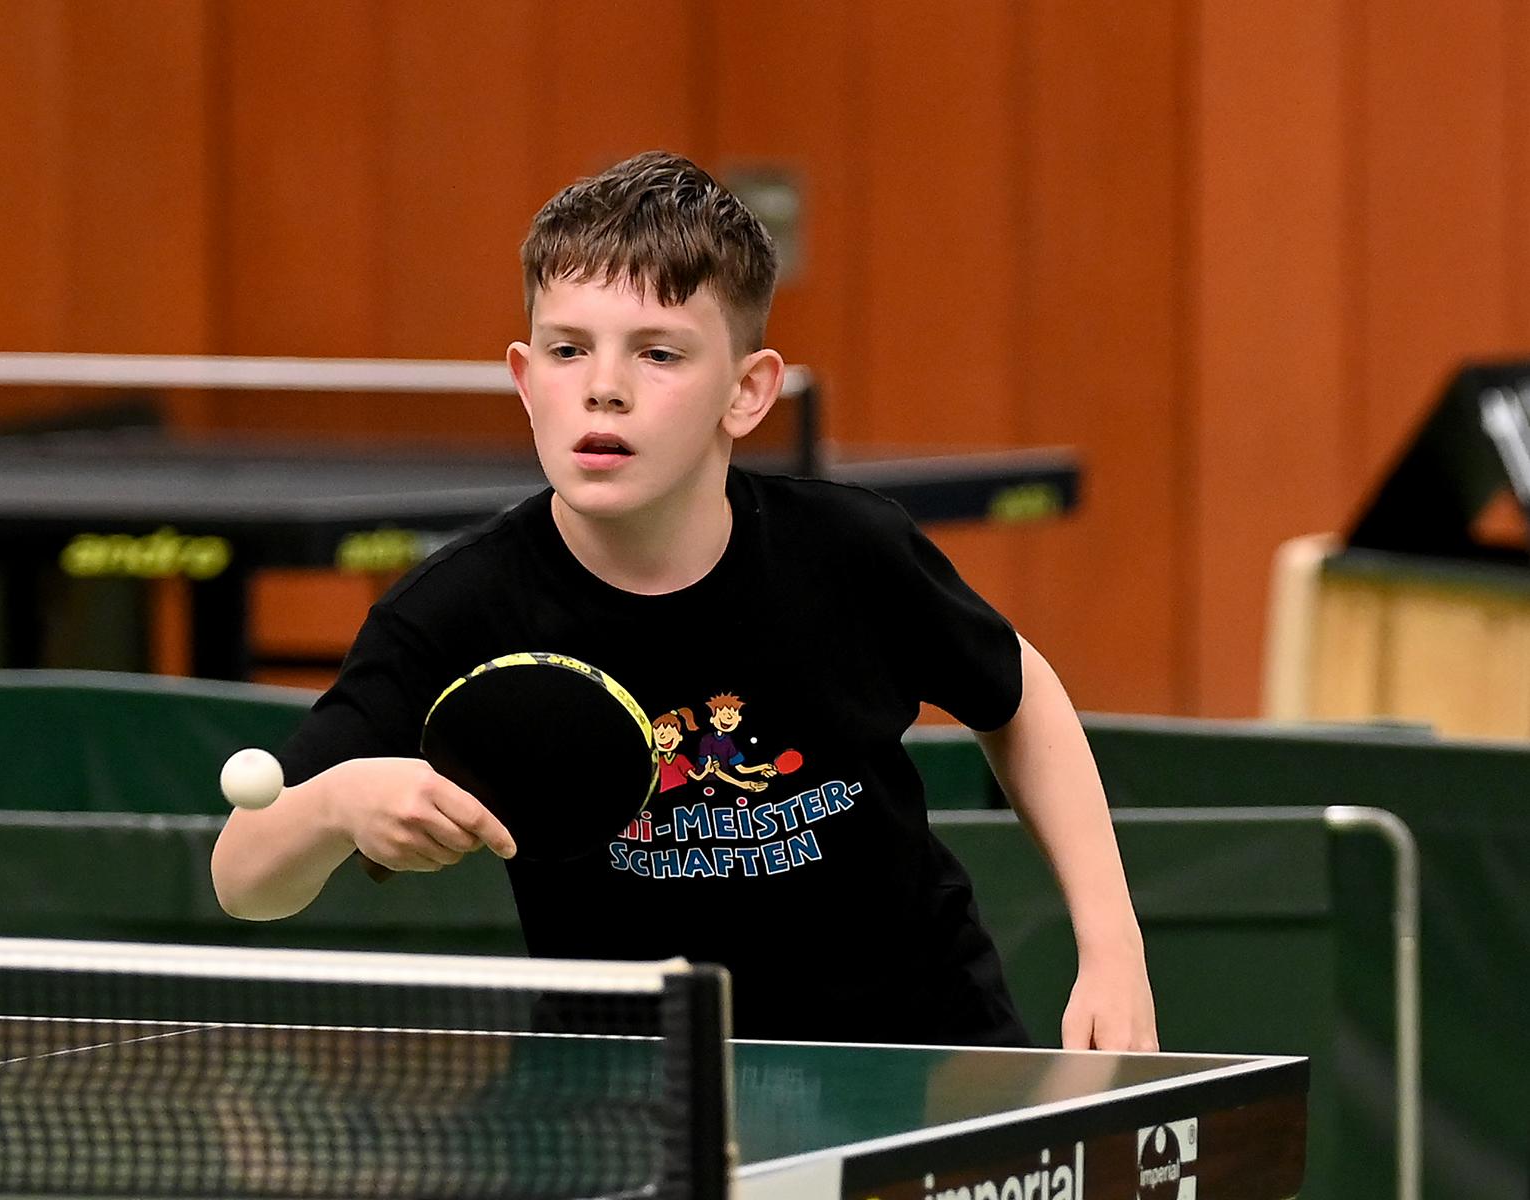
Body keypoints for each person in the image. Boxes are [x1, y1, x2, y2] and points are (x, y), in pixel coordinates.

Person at [211, 150, 1158, 1050]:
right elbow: (242, 878)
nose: (604, 389)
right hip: (634, 1083)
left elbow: (1017, 694)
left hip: (912, 1050)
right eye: (568, 350)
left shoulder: (848, 552)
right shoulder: (455, 610)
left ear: (746, 392)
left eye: (658, 354)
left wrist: (1112, 947)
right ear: (525, 382)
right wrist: (337, 804)